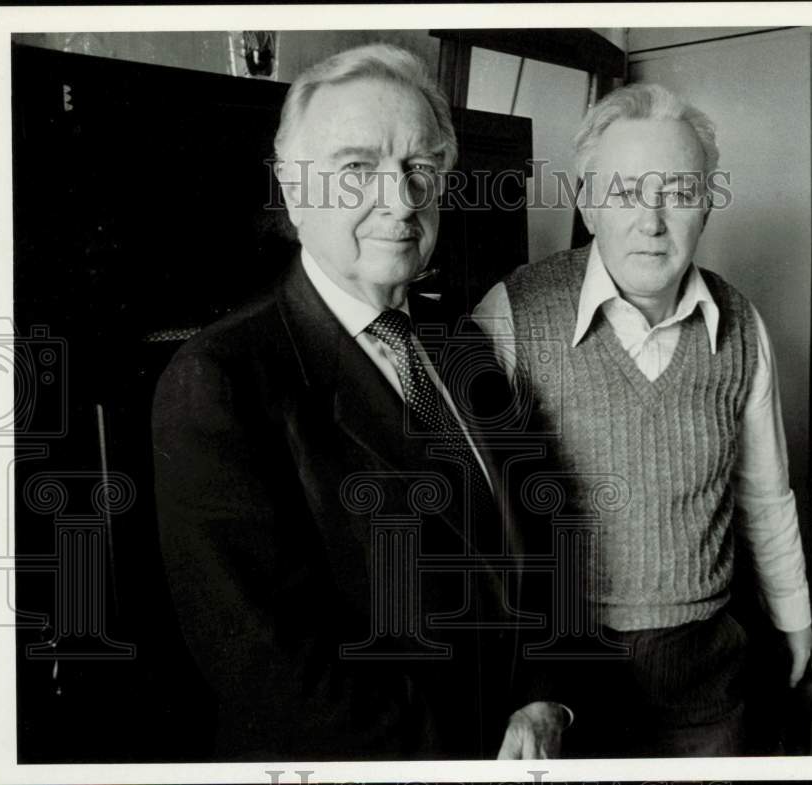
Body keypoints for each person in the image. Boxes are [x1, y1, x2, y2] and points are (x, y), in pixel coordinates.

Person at [153, 43, 565, 761]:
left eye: (420, 169)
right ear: (291, 188)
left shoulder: (462, 351)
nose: (400, 201)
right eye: (356, 168)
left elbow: (533, 546)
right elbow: (270, 668)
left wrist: (542, 697)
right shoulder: (220, 379)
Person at [473, 82, 812, 757]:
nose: (652, 219)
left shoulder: (742, 325)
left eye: (679, 192)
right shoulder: (510, 313)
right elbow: (473, 520)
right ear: (586, 201)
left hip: (706, 682)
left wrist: (796, 620)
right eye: (626, 191)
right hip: (564, 680)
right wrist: (521, 683)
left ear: (708, 204)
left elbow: (766, 495)